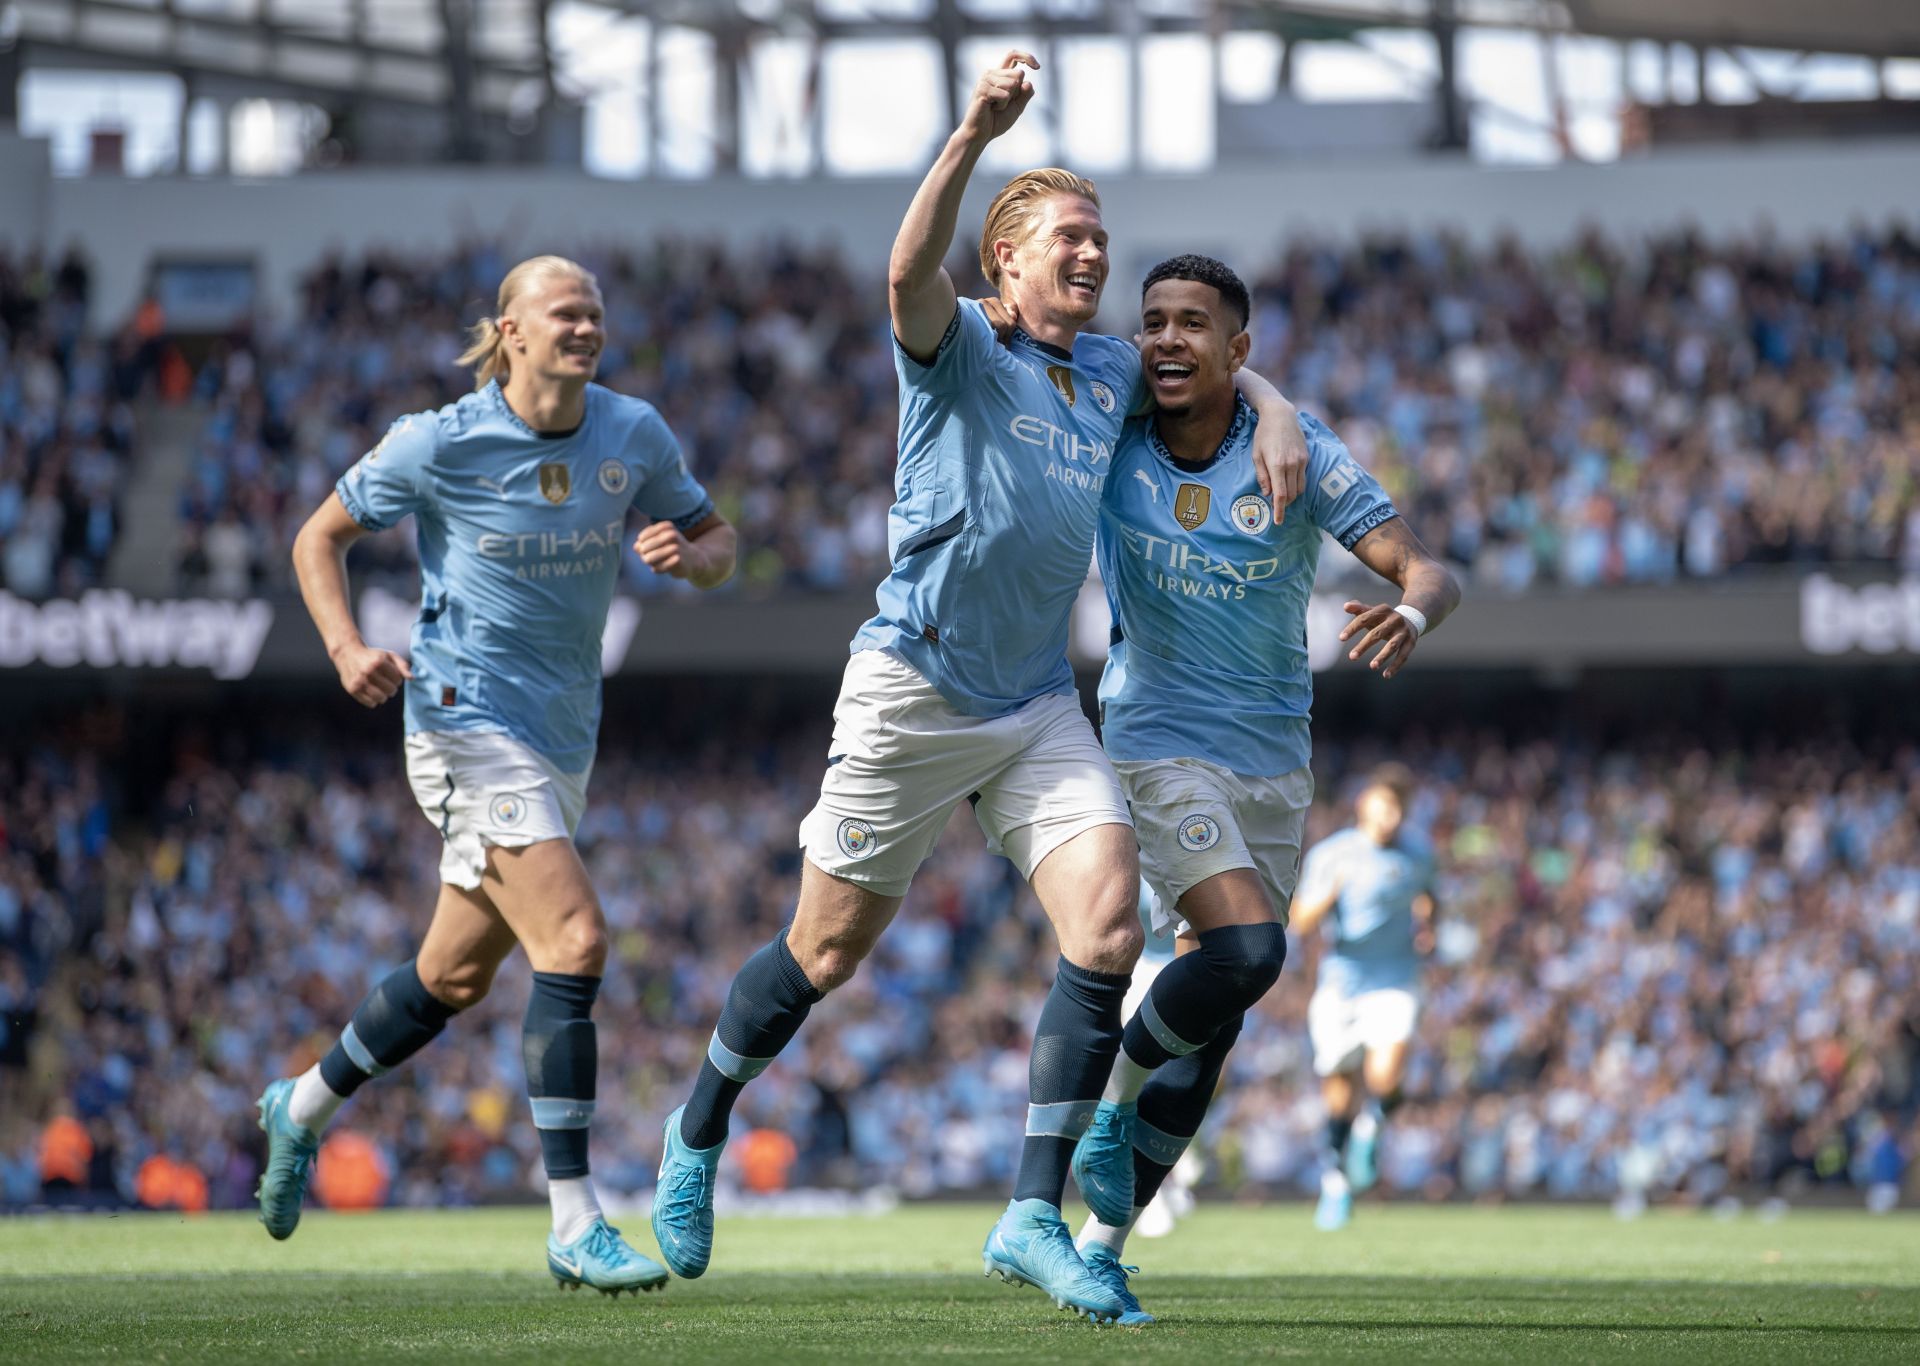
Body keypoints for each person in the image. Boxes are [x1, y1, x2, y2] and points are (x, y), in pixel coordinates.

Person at [649, 55, 1308, 1324]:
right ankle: (696, 1131)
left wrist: (1270, 401)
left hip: (1032, 706)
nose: (1093, 257)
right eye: (1068, 238)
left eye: (1101, 239)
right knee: (823, 950)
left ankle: (1027, 1214)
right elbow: (902, 277)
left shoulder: (1111, 374)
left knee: (1109, 927)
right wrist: (969, 135)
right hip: (910, 686)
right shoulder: (956, 351)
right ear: (1003, 263)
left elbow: (1203, 371)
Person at [258, 254, 737, 1297]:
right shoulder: (439, 440)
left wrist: (693, 559)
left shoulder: (633, 434)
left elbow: (719, 540)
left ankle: (297, 1108)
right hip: (461, 720)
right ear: (509, 333)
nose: (585, 326)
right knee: (576, 937)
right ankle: (574, 1219)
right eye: (563, 313)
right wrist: (345, 648)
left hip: (564, 738)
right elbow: (318, 537)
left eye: (595, 312)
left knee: (452, 979)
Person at [1066, 255, 1458, 1322]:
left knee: (1222, 1014)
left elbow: (1428, 567)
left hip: (1274, 759)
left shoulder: (1296, 448)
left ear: (1238, 349)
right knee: (1249, 952)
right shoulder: (1109, 422)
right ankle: (1106, 1102)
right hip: (1154, 739)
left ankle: (1102, 1245)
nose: (1167, 338)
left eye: (1195, 322)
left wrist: (1415, 613)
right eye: (1153, 321)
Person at [1291, 764, 1438, 1232]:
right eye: (1382, 806)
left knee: (1386, 1071)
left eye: (1397, 808)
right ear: (1364, 806)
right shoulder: (1334, 855)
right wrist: (1330, 894)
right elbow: (1301, 922)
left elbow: (1430, 896)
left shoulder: (1419, 853)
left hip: (1394, 977)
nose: (1389, 817)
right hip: (1341, 983)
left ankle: (1371, 1128)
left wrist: (1428, 923)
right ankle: (1336, 1183)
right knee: (1338, 1094)